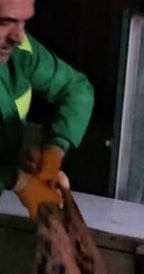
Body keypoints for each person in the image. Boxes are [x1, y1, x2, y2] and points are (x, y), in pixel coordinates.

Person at [0, 0, 92, 218]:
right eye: (4, 22)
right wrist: (19, 181)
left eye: (24, 22)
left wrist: (54, 151)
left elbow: (76, 89)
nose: (18, 37)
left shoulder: (21, 52)